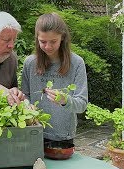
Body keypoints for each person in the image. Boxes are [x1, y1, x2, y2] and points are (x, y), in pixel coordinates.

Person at [21, 13, 88, 145]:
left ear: (62, 38)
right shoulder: (29, 63)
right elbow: (25, 96)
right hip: (33, 131)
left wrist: (65, 100)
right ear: (37, 39)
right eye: (43, 42)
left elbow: (82, 104)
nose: (48, 46)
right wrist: (27, 106)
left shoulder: (77, 63)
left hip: (63, 137)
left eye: (53, 41)